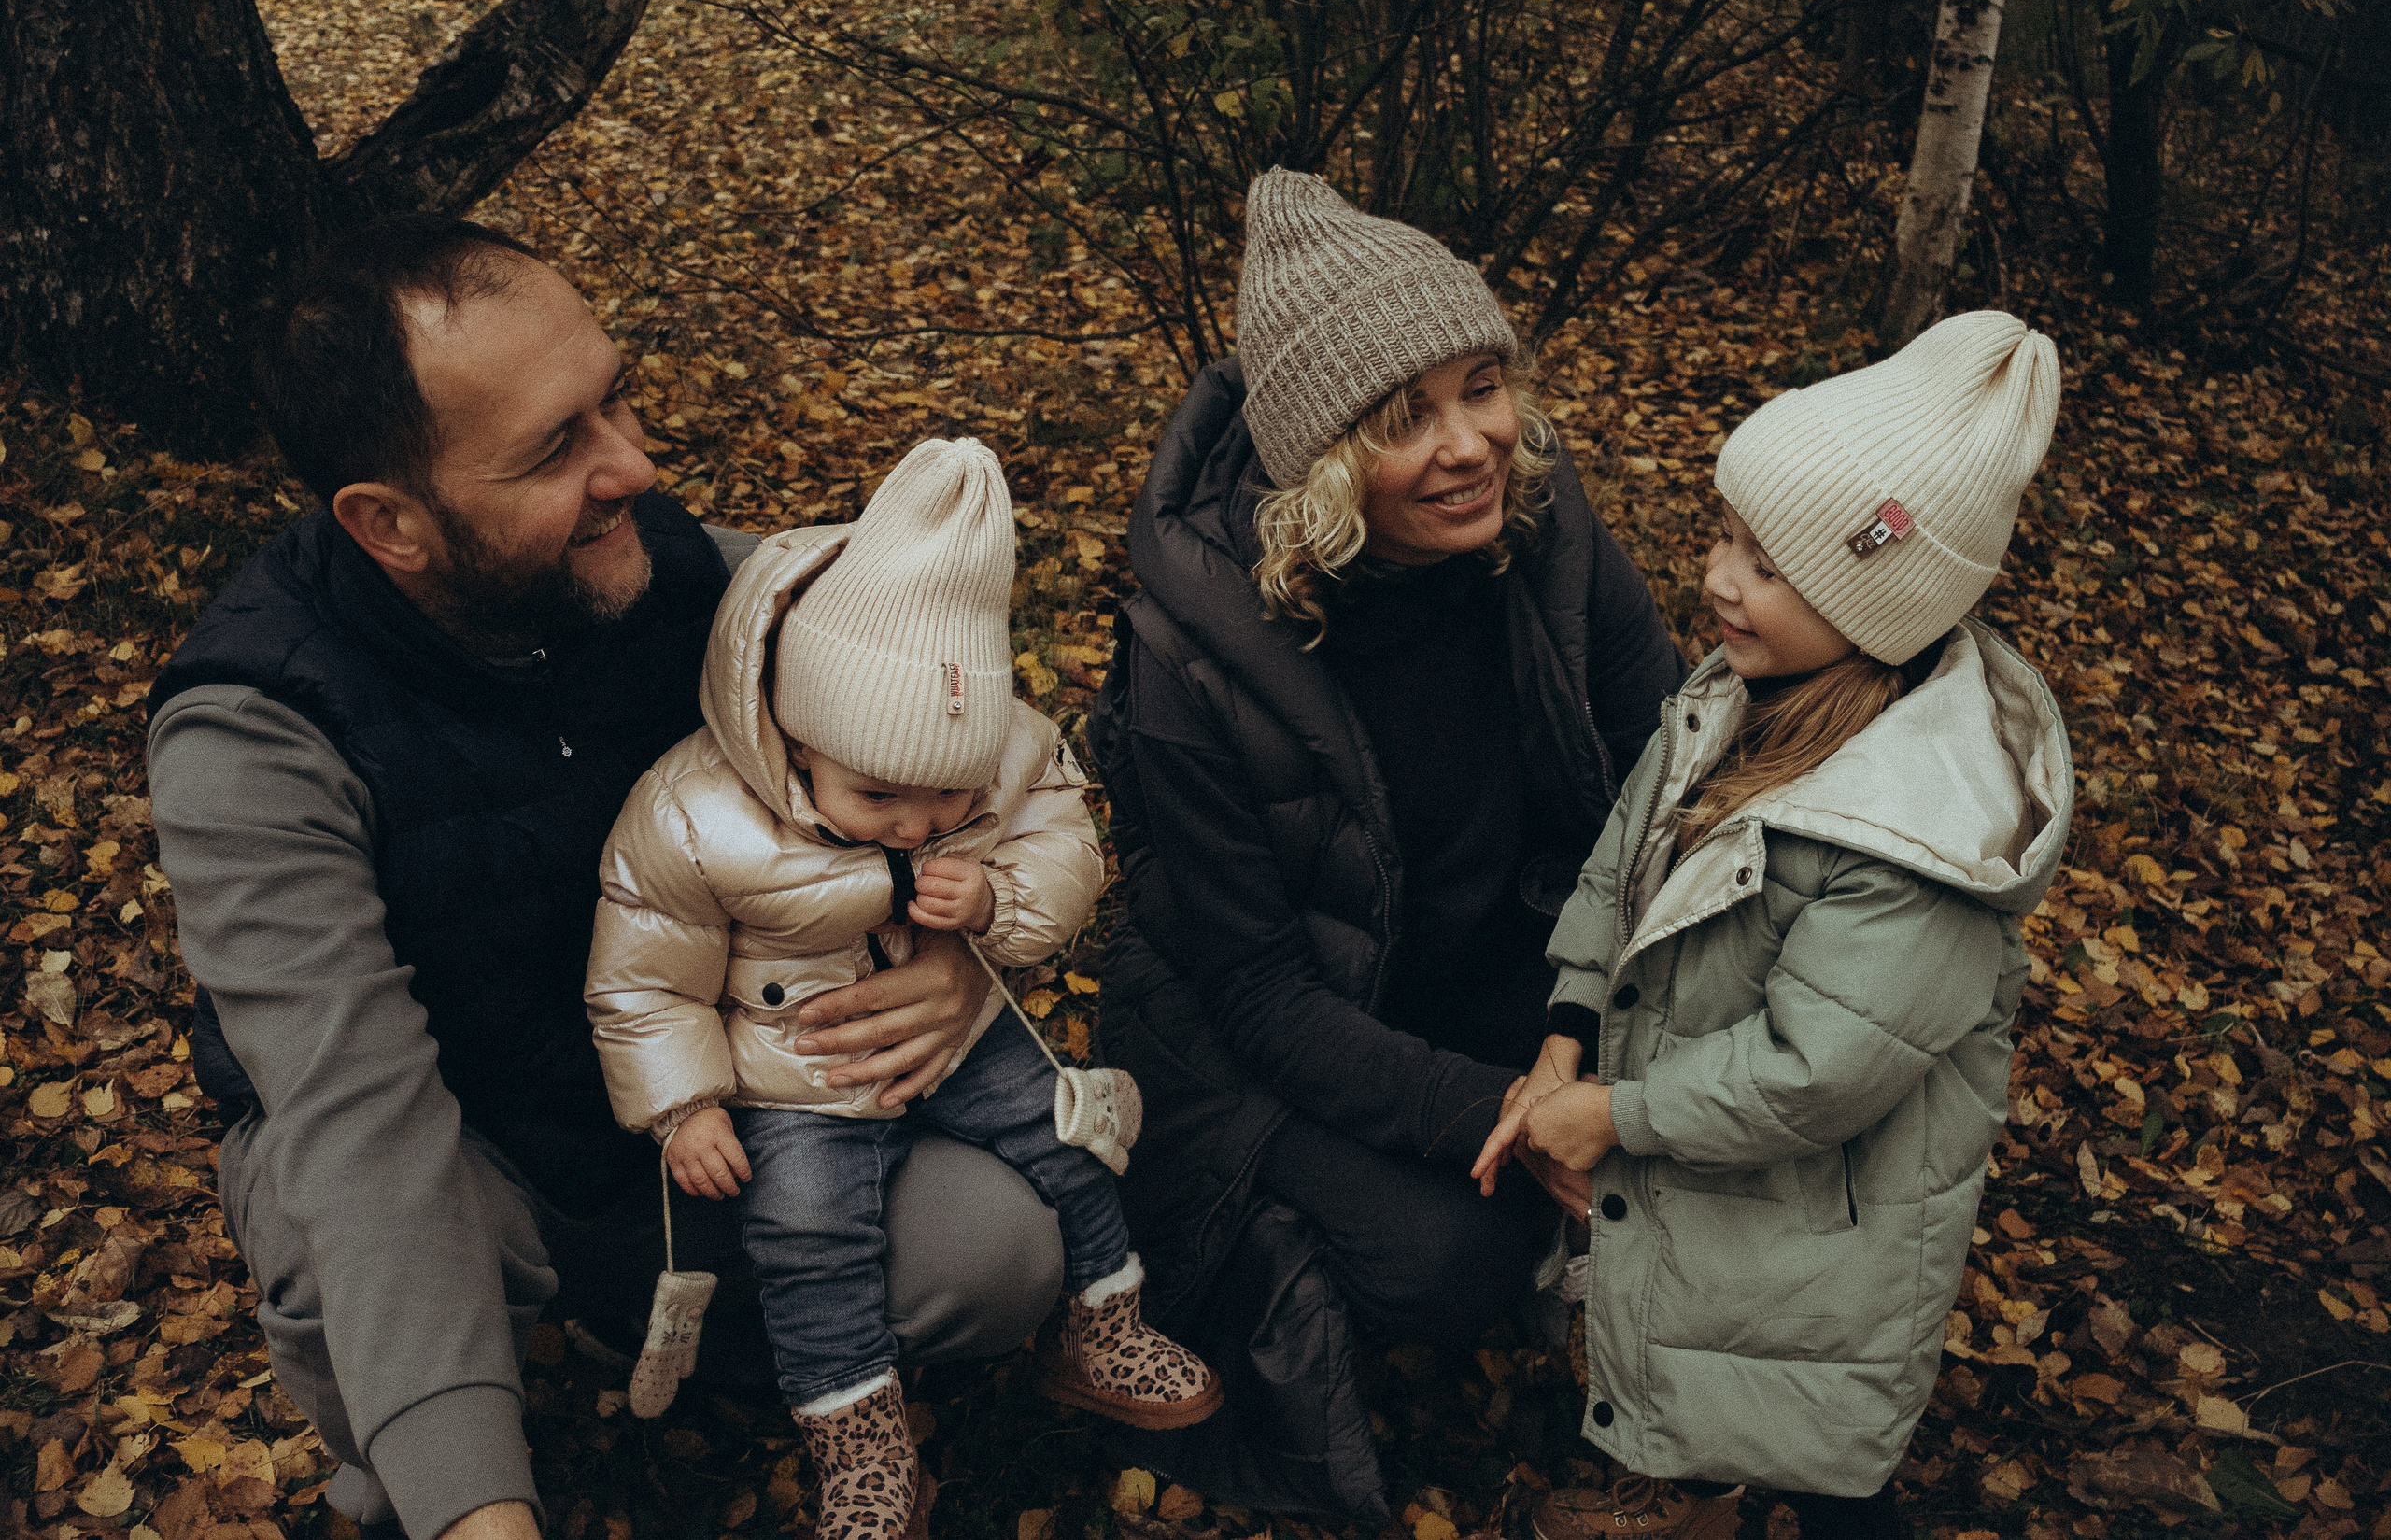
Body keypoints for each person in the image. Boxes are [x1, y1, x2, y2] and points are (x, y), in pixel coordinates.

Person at [146, 218, 1068, 1540]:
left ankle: (733, 1328)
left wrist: (955, 942)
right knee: (326, 1226)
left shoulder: (702, 583)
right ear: (390, 523)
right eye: (553, 449)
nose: (634, 463)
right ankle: (435, 1446)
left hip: (704, 1104)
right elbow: (361, 1119)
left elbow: (954, 737)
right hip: (463, 1149)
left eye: (615, 398)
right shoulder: (259, 729)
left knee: (999, 1248)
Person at [1089, 169, 1687, 1517]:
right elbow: (1258, 991)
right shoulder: (1191, 659)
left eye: (1483, 384)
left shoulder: (1543, 523)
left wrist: (1583, 1039)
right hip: (1267, 1021)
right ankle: (1261, 1230)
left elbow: (1664, 774)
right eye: (1405, 415)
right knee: (1461, 1259)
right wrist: (1508, 1115)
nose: (1473, 440)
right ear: (1321, 453)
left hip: (1500, 963)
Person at [1474, 311, 2074, 1539]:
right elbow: (1619, 863)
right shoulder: (1732, 695)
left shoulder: (1918, 836)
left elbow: (1816, 1072)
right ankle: (1687, 1483)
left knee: (1805, 1416)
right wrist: (1571, 1022)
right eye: (1727, 535)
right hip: (1715, 1157)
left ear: (1880, 599)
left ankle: (1764, 1498)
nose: (1718, 576)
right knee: (1707, 1340)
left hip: (1823, 1210)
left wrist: (1619, 1113)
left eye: (1769, 561)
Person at [584, 436, 1219, 1539]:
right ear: (792, 731)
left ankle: (1101, 1324)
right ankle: (863, 1445)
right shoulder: (693, 813)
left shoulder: (1007, 755)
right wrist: (682, 1104)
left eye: (947, 793)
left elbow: (1065, 844)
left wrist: (995, 903)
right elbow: (643, 975)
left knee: (1066, 1139)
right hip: (799, 1068)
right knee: (806, 1231)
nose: (919, 824)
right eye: (879, 793)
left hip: (961, 1024)